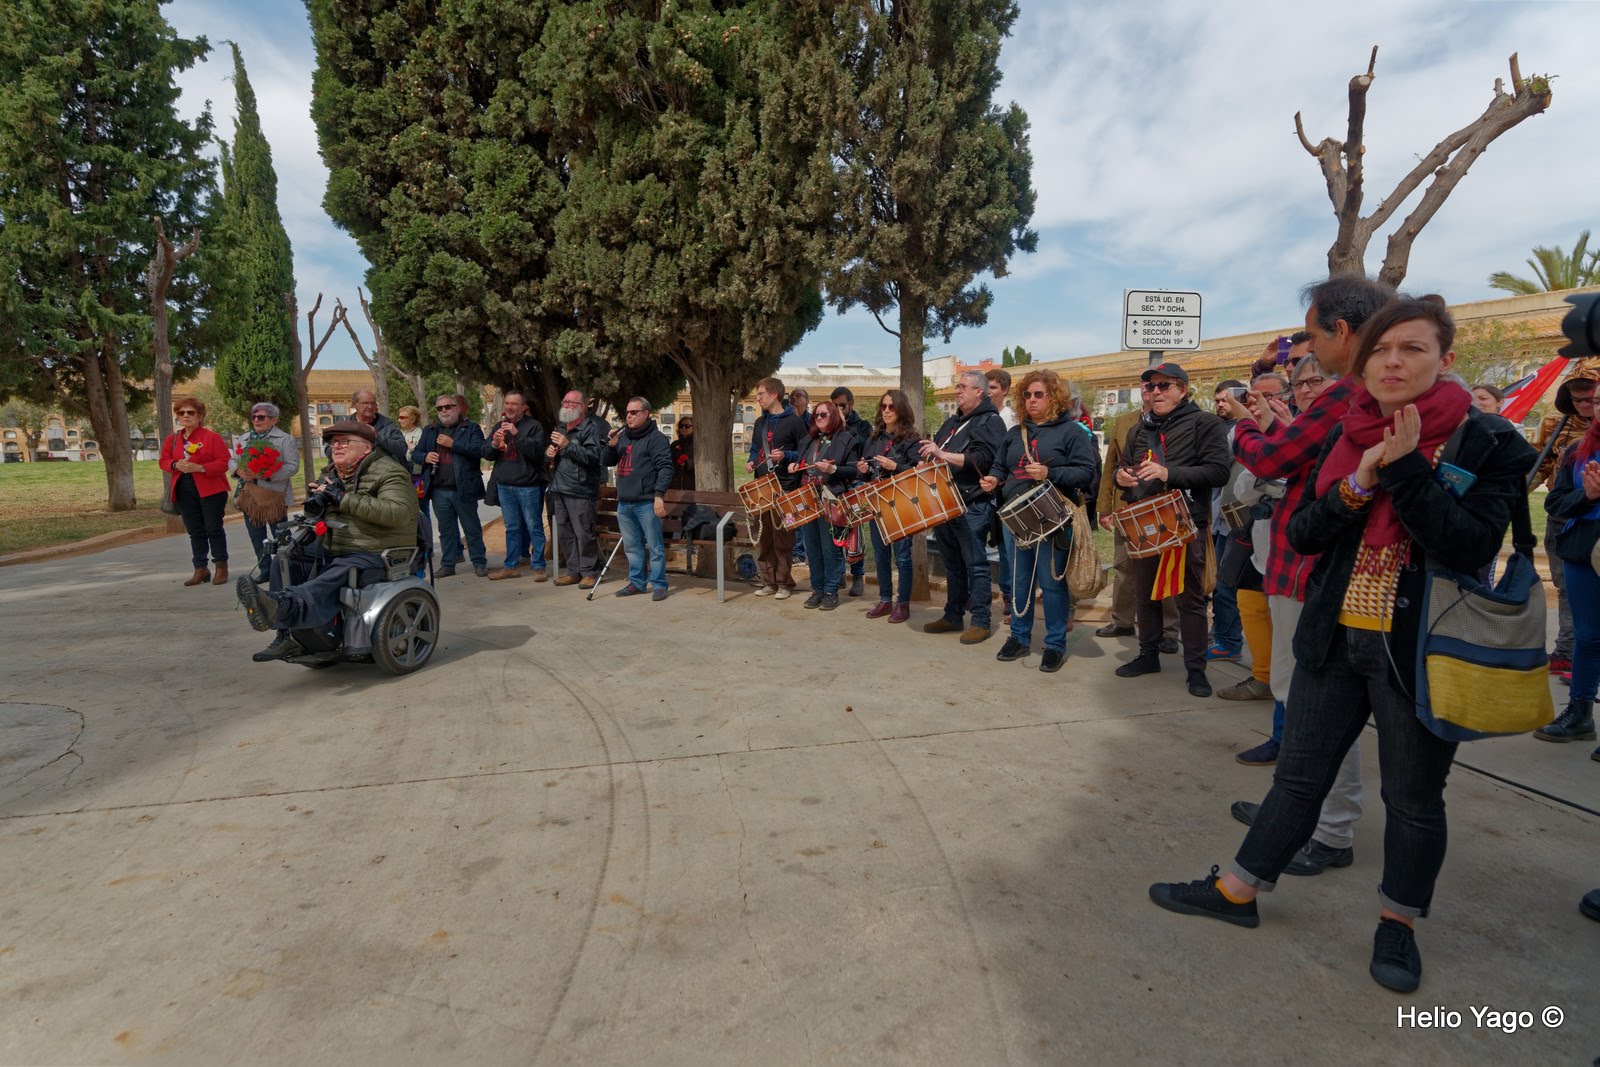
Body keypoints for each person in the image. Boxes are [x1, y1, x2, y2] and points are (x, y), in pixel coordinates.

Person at [1149, 296, 1537, 995]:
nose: (1392, 361)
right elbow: (1305, 534)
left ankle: (1398, 921)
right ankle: (1238, 889)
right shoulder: (1351, 428)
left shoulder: (1491, 442)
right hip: (1335, 631)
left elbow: (1471, 541)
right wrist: (1359, 481)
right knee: (1299, 774)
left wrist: (1403, 466)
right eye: (1381, 350)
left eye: (1412, 349)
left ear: (1445, 359)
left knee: (1414, 796)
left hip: (1420, 646)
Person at [1221, 275, 1394, 870]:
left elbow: (1272, 460)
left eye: (1314, 342)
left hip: (1312, 571)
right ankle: (1297, 810)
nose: (1309, 355)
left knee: (1315, 704)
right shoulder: (1357, 395)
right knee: (1303, 700)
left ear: (1343, 332)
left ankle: (1331, 831)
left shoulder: (1350, 396)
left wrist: (1243, 424)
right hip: (1305, 567)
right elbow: (1299, 455)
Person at [236, 420, 420, 661]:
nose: (337, 447)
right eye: (334, 443)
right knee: (287, 556)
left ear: (366, 447)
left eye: (345, 442)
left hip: (376, 549)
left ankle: (281, 606)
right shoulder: (332, 473)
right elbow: (323, 513)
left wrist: (342, 498)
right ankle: (287, 636)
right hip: (337, 544)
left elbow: (397, 513)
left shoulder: (390, 472)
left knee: (337, 570)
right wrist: (317, 503)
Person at [1112, 362, 1230, 696]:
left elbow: (1219, 471)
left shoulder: (1205, 424)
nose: (1155, 392)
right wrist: (1123, 478)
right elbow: (1127, 471)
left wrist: (1169, 473)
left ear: (1182, 389)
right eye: (1150, 387)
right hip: (1146, 523)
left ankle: (1196, 670)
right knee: (1145, 595)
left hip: (1185, 524)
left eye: (1164, 386)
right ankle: (1148, 654)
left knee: (1190, 600)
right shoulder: (1138, 429)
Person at [982, 369, 1098, 672]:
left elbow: (1087, 473)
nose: (1031, 400)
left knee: (1052, 583)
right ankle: (1019, 638)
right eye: (1027, 395)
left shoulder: (1071, 432)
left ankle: (1055, 645)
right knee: (1020, 581)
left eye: (1038, 394)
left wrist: (1051, 473)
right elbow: (999, 465)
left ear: (1054, 397)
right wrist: (994, 479)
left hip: (1053, 519)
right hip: (1016, 520)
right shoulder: (1014, 433)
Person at [920, 370, 1005, 644]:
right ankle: (953, 615)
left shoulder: (991, 422)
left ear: (979, 392)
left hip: (972, 504)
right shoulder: (952, 423)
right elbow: (936, 452)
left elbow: (982, 457)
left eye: (962, 387)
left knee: (976, 565)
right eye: (958, 387)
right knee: (952, 564)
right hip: (945, 502)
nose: (957, 391)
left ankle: (981, 621)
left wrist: (942, 454)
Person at [1535, 410, 1600, 748]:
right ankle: (1579, 714)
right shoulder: (1577, 450)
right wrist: (1587, 496)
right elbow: (1555, 502)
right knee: (1588, 638)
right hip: (1582, 550)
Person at [1095, 392, 1178, 650]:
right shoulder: (1124, 421)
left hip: (1163, 506)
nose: (1150, 389)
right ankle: (1122, 620)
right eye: (1145, 384)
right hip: (1127, 505)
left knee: (1166, 568)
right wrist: (1105, 507)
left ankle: (1169, 630)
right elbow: (1111, 466)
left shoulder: (1179, 421)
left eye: (1157, 385)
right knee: (1124, 565)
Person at [1530, 370, 1597, 682]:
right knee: (1568, 587)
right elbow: (1538, 467)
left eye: (1592, 399)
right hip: (1565, 519)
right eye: (1578, 399)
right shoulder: (1555, 428)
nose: (1585, 405)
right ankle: (1568, 651)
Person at [856, 389, 923, 622]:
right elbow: (868, 474)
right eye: (883, 406)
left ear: (901, 410)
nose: (886, 411)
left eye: (891, 407)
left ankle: (902, 604)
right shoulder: (874, 439)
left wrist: (896, 468)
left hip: (902, 504)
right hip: (878, 502)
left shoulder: (912, 439)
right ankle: (885, 600)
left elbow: (919, 473)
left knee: (903, 557)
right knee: (881, 554)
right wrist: (863, 471)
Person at [788, 401, 862, 611]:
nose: (818, 418)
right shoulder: (808, 440)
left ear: (834, 416)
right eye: (816, 415)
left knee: (830, 548)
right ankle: (817, 589)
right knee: (812, 548)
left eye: (824, 415)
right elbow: (801, 465)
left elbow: (855, 471)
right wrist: (795, 466)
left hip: (830, 499)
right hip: (807, 500)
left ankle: (831, 590)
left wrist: (832, 469)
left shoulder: (846, 440)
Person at [413, 394, 489, 577]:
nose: (444, 411)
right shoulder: (430, 430)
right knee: (445, 531)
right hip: (439, 489)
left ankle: (479, 562)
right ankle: (448, 564)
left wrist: (454, 444)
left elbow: (479, 450)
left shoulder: (471, 428)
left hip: (463, 488)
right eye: (440, 408)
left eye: (448, 407)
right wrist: (425, 457)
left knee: (472, 528)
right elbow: (416, 453)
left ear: (456, 408)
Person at [746, 377, 809, 599]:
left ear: (774, 394)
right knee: (764, 537)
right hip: (761, 489)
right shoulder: (759, 423)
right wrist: (752, 461)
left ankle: (784, 583)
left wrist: (786, 455)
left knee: (785, 536)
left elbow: (804, 453)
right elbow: (755, 449)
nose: (758, 398)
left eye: (761, 394)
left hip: (787, 490)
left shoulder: (795, 421)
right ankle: (768, 582)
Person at [1205, 378, 1253, 664]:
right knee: (1219, 583)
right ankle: (1222, 634)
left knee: (1227, 585)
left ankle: (1228, 641)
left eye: (1227, 399)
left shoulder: (1244, 431)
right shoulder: (1219, 428)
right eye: (1218, 400)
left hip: (1238, 517)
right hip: (1219, 517)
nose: (1222, 404)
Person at [605, 397, 673, 600]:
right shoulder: (623, 436)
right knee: (632, 546)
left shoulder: (656, 439)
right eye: (627, 412)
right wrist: (610, 446)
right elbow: (607, 461)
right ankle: (637, 582)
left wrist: (658, 496)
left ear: (646, 414)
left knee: (655, 546)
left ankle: (659, 584)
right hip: (625, 502)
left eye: (634, 412)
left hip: (646, 501)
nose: (629, 416)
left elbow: (666, 469)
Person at [160, 397, 232, 586]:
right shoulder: (173, 439)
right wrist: (175, 464)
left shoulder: (211, 437)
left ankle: (221, 567)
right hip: (184, 489)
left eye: (190, 412)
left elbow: (224, 462)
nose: (185, 416)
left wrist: (199, 468)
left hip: (211, 489)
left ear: (199, 416)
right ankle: (200, 568)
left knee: (213, 528)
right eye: (181, 413)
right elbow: (163, 461)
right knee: (195, 531)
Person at [546, 389, 610, 588]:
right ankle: (574, 571)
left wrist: (567, 445)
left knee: (584, 533)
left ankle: (589, 572)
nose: (565, 405)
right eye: (564, 401)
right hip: (560, 487)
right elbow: (556, 456)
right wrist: (549, 454)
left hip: (581, 489)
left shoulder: (592, 428)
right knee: (564, 533)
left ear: (583, 407)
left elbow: (593, 458)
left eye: (571, 402)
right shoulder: (562, 427)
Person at [485, 390, 549, 581]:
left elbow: (538, 454)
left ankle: (538, 567)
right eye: (507, 403)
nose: (509, 407)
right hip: (505, 486)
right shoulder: (499, 426)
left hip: (528, 486)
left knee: (534, 526)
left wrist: (517, 434)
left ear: (523, 407)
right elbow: (486, 453)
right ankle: (511, 566)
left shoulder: (534, 427)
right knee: (511, 528)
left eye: (514, 404)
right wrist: (494, 444)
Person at [229, 401, 300, 569]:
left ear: (274, 420)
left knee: (280, 533)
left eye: (261, 417)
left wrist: (266, 475)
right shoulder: (244, 438)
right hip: (249, 496)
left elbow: (292, 466)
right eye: (253, 416)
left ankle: (287, 568)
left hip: (273, 496)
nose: (256, 420)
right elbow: (232, 459)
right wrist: (238, 470)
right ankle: (265, 569)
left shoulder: (285, 439)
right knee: (256, 535)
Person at [831, 386, 872, 597]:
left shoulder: (863, 426)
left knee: (854, 532)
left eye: (842, 405)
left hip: (855, 483)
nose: (838, 409)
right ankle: (839, 575)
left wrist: (844, 427)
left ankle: (857, 576)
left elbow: (862, 447)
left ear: (851, 405)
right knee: (836, 530)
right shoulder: (831, 427)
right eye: (835, 405)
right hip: (836, 483)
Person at [985, 368, 1017, 624]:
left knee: (1007, 548)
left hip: (1005, 490)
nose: (988, 392)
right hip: (981, 489)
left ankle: (1010, 595)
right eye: (985, 387)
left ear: (1005, 390)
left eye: (993, 387)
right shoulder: (978, 418)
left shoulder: (1013, 420)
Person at [331, 388, 410, 466]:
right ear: (354, 404)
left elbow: (402, 449)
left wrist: (377, 437)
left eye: (373, 403)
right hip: (349, 472)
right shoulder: (344, 424)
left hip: (381, 472)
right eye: (365, 403)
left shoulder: (387, 425)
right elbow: (329, 449)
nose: (370, 406)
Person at [669, 416, 696, 491]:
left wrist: (688, 463)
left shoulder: (697, 444)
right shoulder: (674, 444)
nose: (683, 428)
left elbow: (702, 463)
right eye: (681, 426)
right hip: (675, 484)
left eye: (687, 426)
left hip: (691, 485)